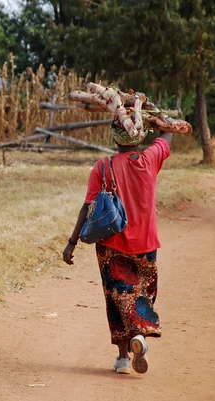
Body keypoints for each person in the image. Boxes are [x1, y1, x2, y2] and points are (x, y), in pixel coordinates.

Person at [62, 124, 173, 375]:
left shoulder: (103, 166)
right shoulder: (150, 158)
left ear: (115, 138)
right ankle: (140, 335)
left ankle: (123, 358)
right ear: (140, 137)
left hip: (110, 244)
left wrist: (72, 242)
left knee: (116, 298)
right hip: (145, 243)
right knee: (142, 294)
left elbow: (87, 207)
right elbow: (167, 137)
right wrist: (160, 120)